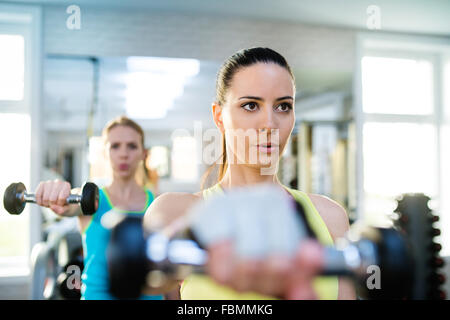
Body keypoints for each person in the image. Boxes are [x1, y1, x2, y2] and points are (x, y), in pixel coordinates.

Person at [143, 47, 356, 300]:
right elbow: (142, 276)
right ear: (219, 117)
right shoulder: (175, 212)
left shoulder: (331, 217)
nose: (269, 123)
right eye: (251, 105)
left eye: (283, 107)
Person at [34, 116, 163, 300]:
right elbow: (69, 204)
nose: (124, 153)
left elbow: (169, 277)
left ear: (144, 153)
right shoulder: (90, 199)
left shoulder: (158, 203)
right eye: (115, 146)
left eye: (132, 146)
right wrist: (59, 195)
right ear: (105, 153)